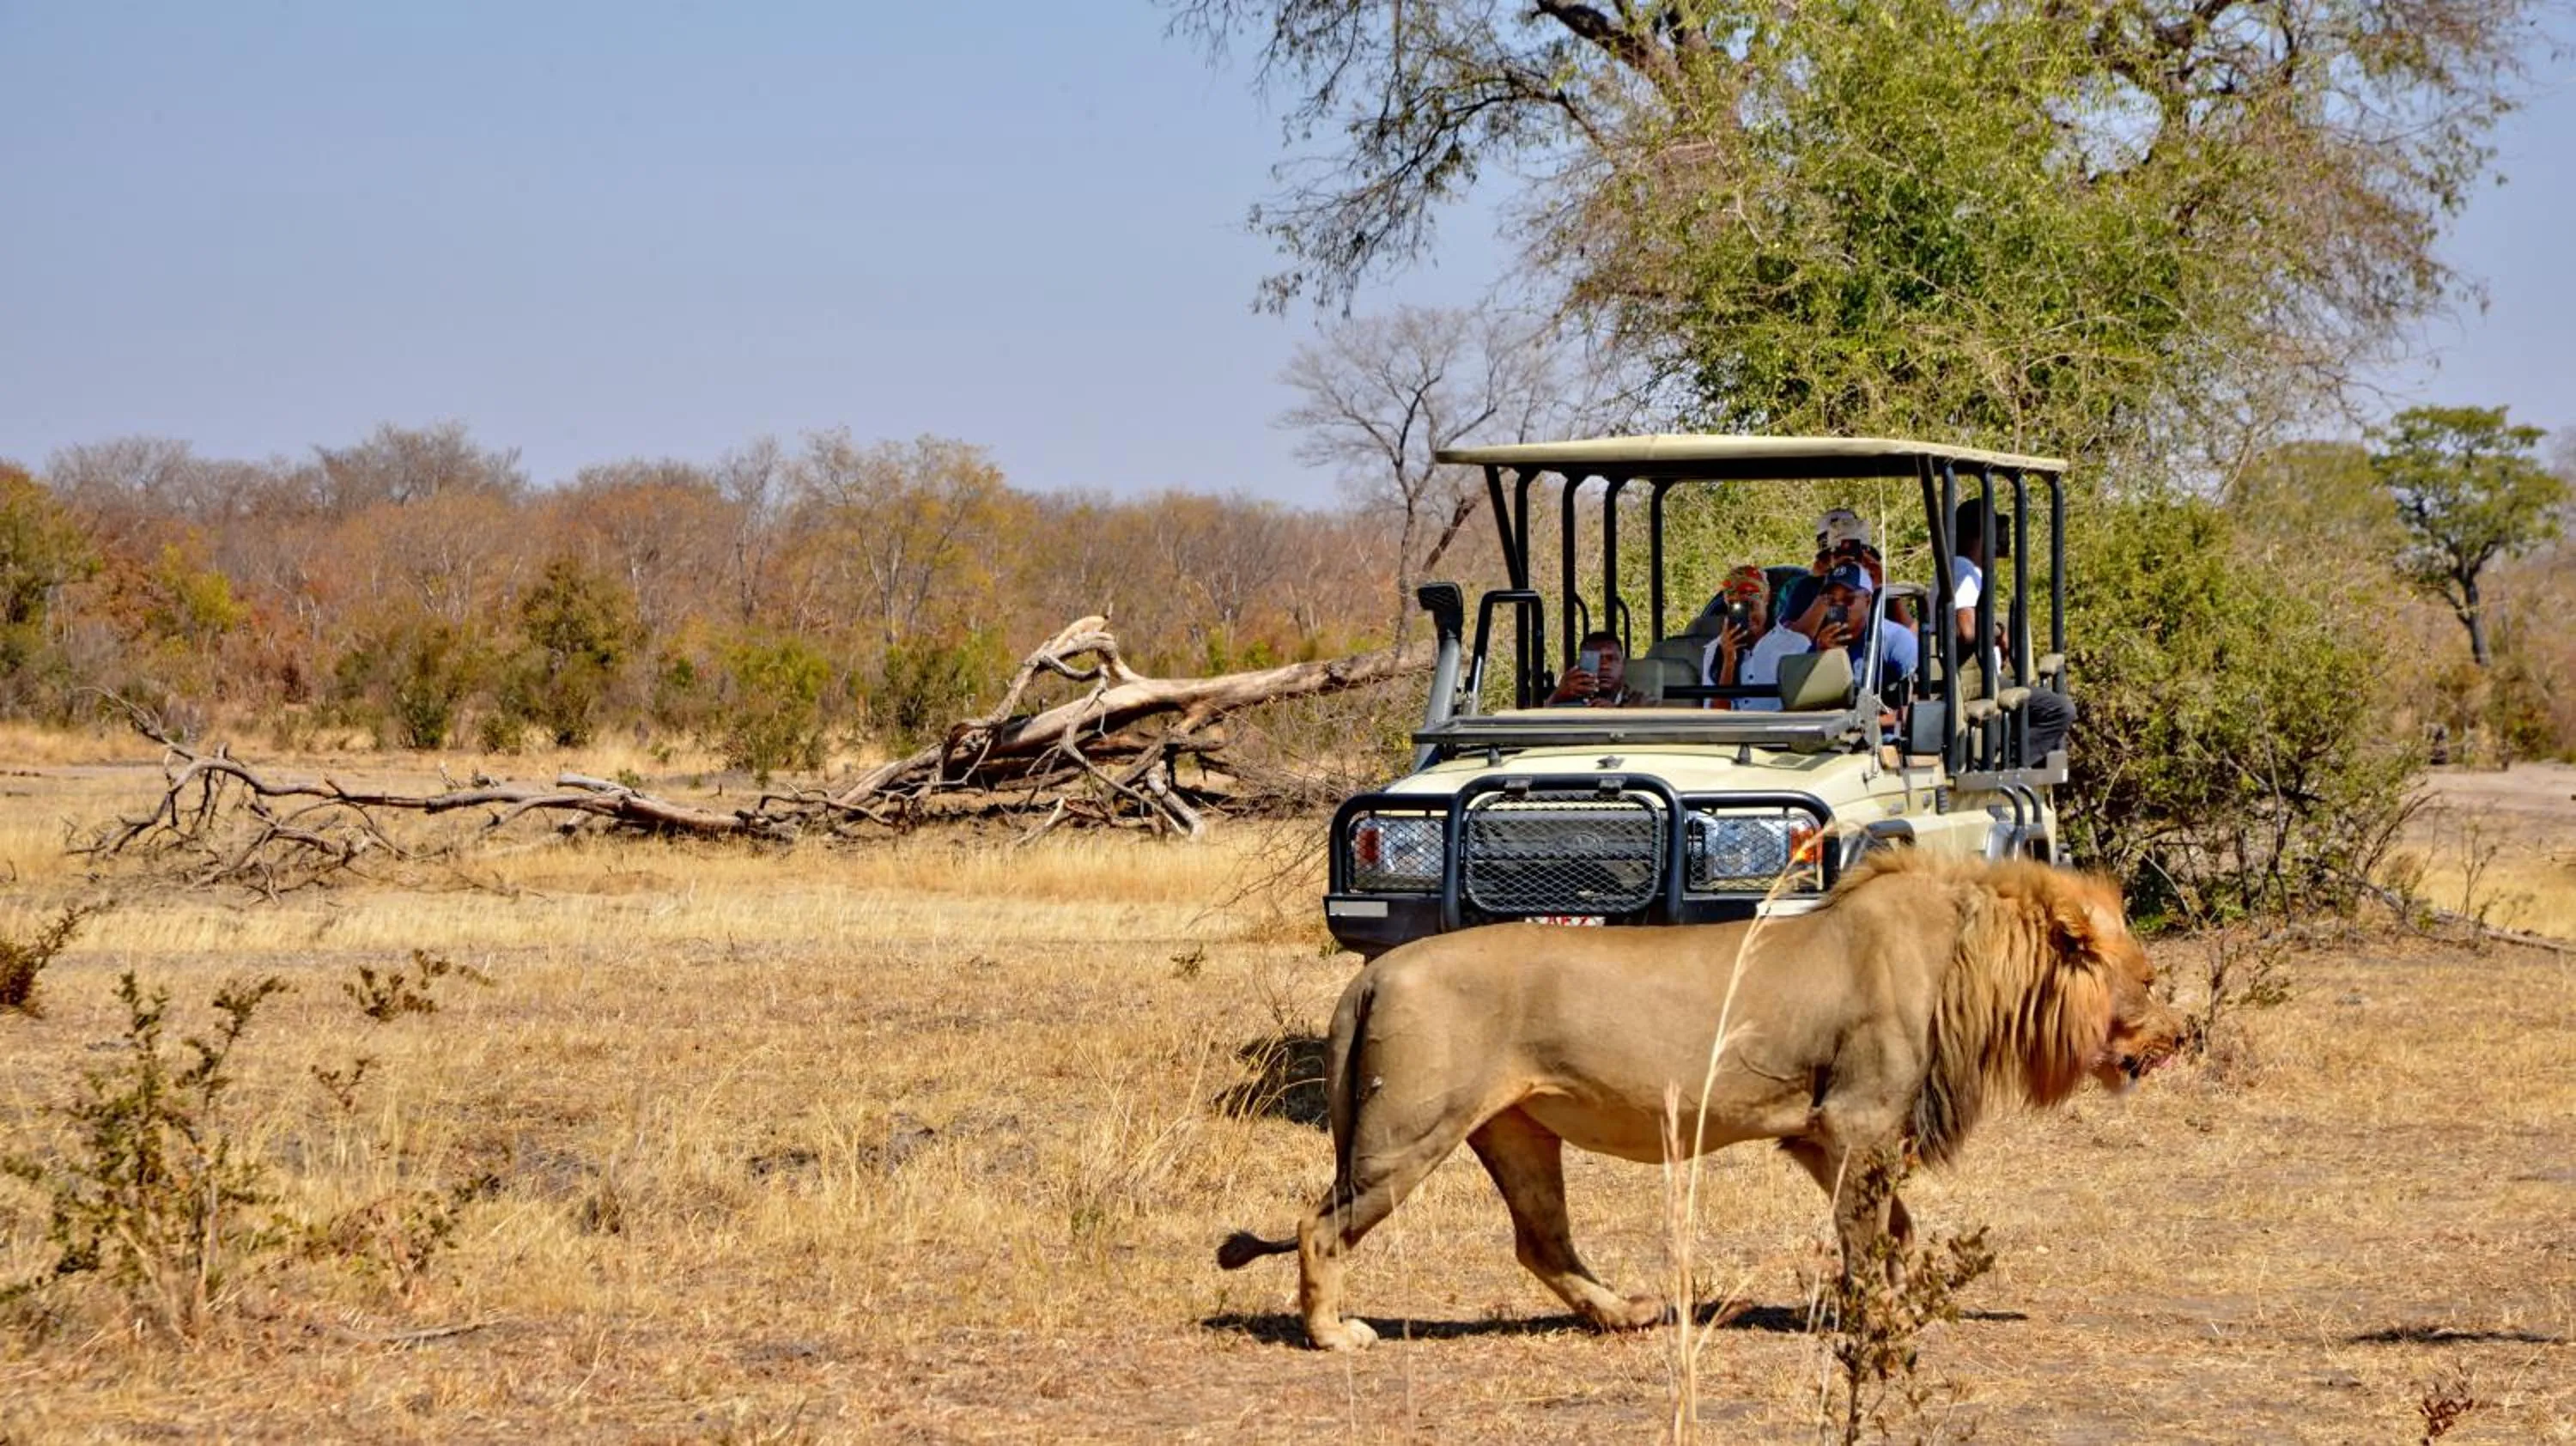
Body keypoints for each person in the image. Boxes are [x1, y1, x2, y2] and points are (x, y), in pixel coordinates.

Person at [1952, 499, 2073, 760]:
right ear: (1983, 532)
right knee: (2060, 709)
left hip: (1975, 675)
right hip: (1977, 680)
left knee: (2029, 695)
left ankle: (2006, 755)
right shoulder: (1964, 570)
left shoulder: (1951, 567)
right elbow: (1967, 631)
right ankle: (2011, 764)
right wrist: (1998, 634)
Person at [1698, 564, 1771, 709]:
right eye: (1737, 608)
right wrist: (1728, 661)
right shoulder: (1715, 650)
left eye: (1750, 605)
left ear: (1766, 599)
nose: (1747, 616)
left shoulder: (1793, 643)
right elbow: (1716, 716)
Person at [1546, 629, 1650, 708]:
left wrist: (1617, 716)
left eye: (1612, 659)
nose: (1604, 666)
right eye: (1595, 659)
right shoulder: (1566, 699)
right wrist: (1557, 695)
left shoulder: (1640, 702)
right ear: (1581, 664)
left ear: (1623, 665)